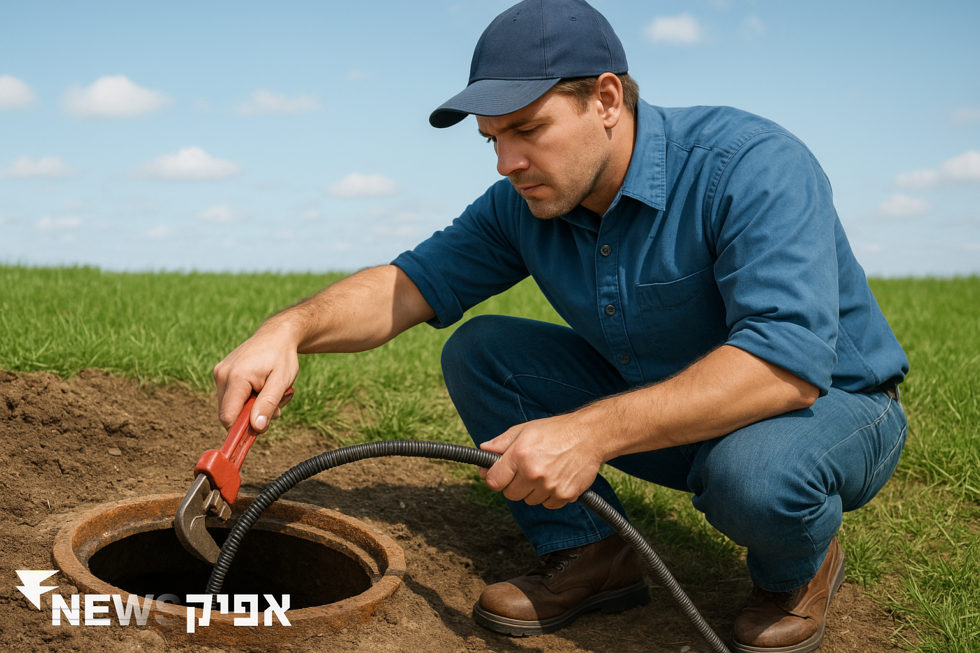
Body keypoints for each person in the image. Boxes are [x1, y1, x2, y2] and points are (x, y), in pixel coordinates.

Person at [212, 1, 909, 650]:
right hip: (671, 401)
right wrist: (290, 329)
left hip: (831, 406)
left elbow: (784, 365)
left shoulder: (750, 166)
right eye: (492, 139)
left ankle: (800, 564)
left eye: (528, 129)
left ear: (606, 99)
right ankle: (592, 553)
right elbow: (407, 285)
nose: (506, 162)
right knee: (482, 353)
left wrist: (588, 432)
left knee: (755, 477)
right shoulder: (524, 200)